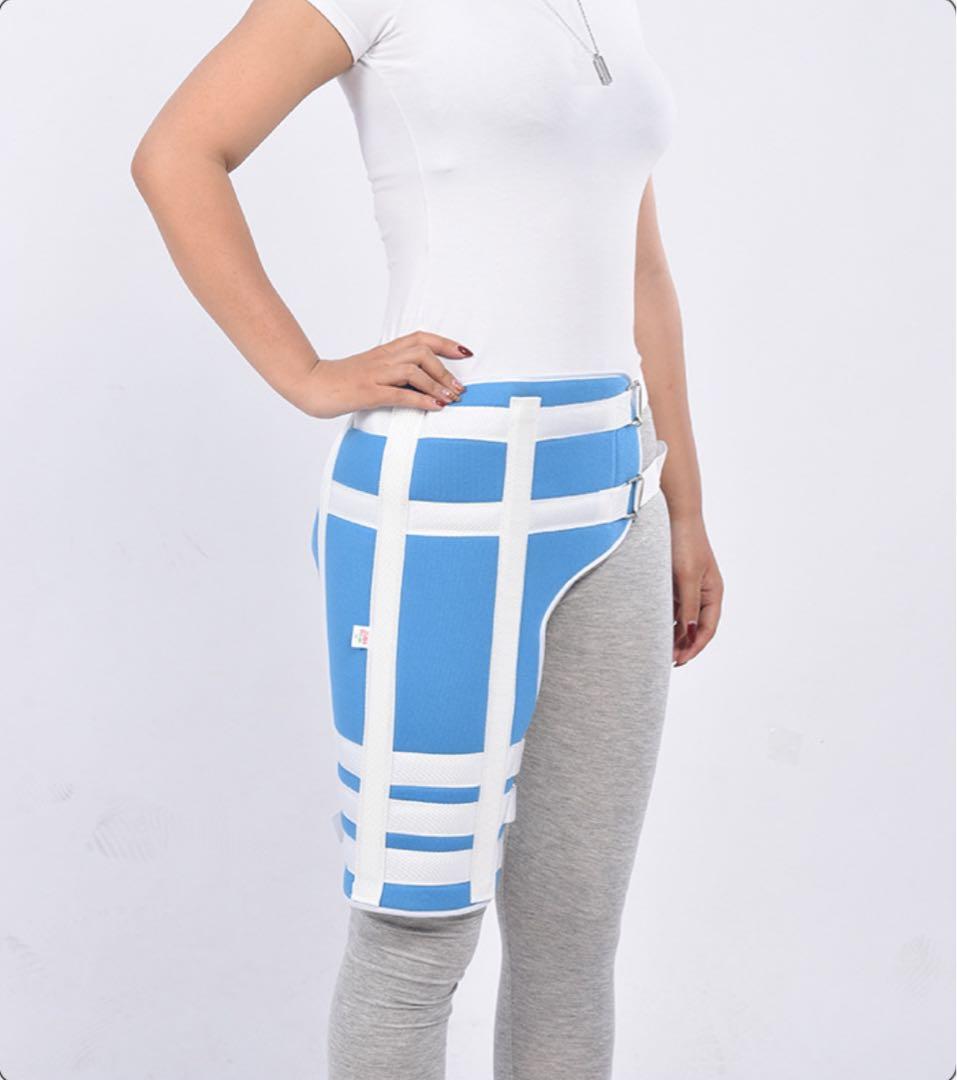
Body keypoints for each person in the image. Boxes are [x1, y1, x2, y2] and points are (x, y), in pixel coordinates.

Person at [131, 0, 723, 1076]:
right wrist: (306, 372)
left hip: (613, 499)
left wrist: (685, 506)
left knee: (572, 946)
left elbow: (641, 271)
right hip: (442, 511)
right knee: (417, 937)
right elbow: (178, 153)